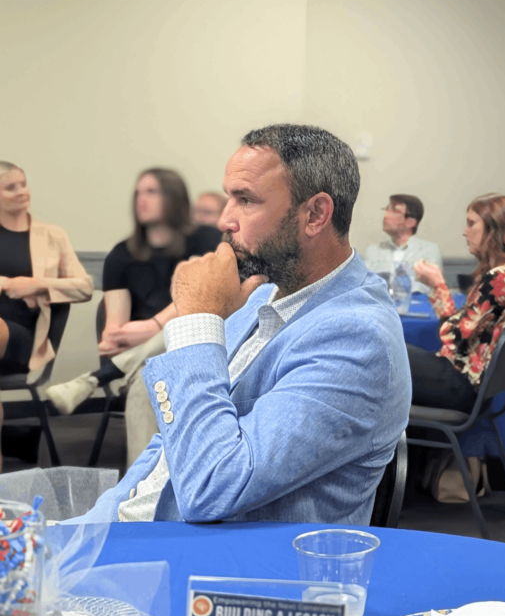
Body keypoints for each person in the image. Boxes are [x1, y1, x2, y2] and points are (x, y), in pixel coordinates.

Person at [72, 124, 411, 524]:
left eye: (246, 200)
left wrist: (198, 320)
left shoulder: (358, 338)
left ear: (315, 214)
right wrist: (104, 516)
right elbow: (169, 445)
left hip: (212, 568)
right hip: (135, 528)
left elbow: (213, 488)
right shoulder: (263, 292)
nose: (225, 220)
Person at [46, 169, 222, 462]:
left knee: (183, 325)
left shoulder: (206, 239)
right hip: (146, 360)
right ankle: (140, 491)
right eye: (139, 192)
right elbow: (112, 336)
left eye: (152, 192)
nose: (142, 199)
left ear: (173, 197)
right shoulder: (121, 255)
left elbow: (199, 297)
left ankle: (94, 379)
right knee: (146, 381)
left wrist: (152, 325)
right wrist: (129, 337)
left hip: (201, 346)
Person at [410, 194, 505, 414]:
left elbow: (453, 336)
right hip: (470, 383)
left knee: (386, 353)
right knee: (394, 352)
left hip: (461, 385)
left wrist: (438, 285)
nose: (465, 231)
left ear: (494, 230)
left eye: (471, 223)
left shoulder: (499, 279)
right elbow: (463, 330)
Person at [0, 162, 93, 472]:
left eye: (23, 184)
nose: (22, 192)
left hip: (23, 338)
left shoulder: (51, 235)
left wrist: (35, 284)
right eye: (11, 187)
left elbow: (84, 287)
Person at [363, 194, 443, 295]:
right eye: (387, 209)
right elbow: (367, 286)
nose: (386, 215)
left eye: (395, 211)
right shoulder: (374, 251)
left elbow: (424, 288)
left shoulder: (428, 250)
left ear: (411, 222)